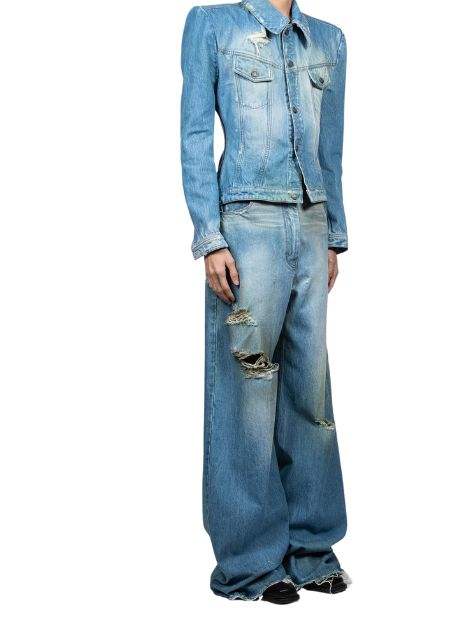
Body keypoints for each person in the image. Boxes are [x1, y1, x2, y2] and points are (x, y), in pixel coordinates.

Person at [180, 0, 349, 604]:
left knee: (310, 393)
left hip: (311, 224)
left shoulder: (328, 40)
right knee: (247, 395)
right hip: (247, 228)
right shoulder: (213, 25)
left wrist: (334, 235)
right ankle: (250, 563)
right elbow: (195, 136)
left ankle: (311, 549)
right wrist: (210, 236)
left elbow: (331, 149)